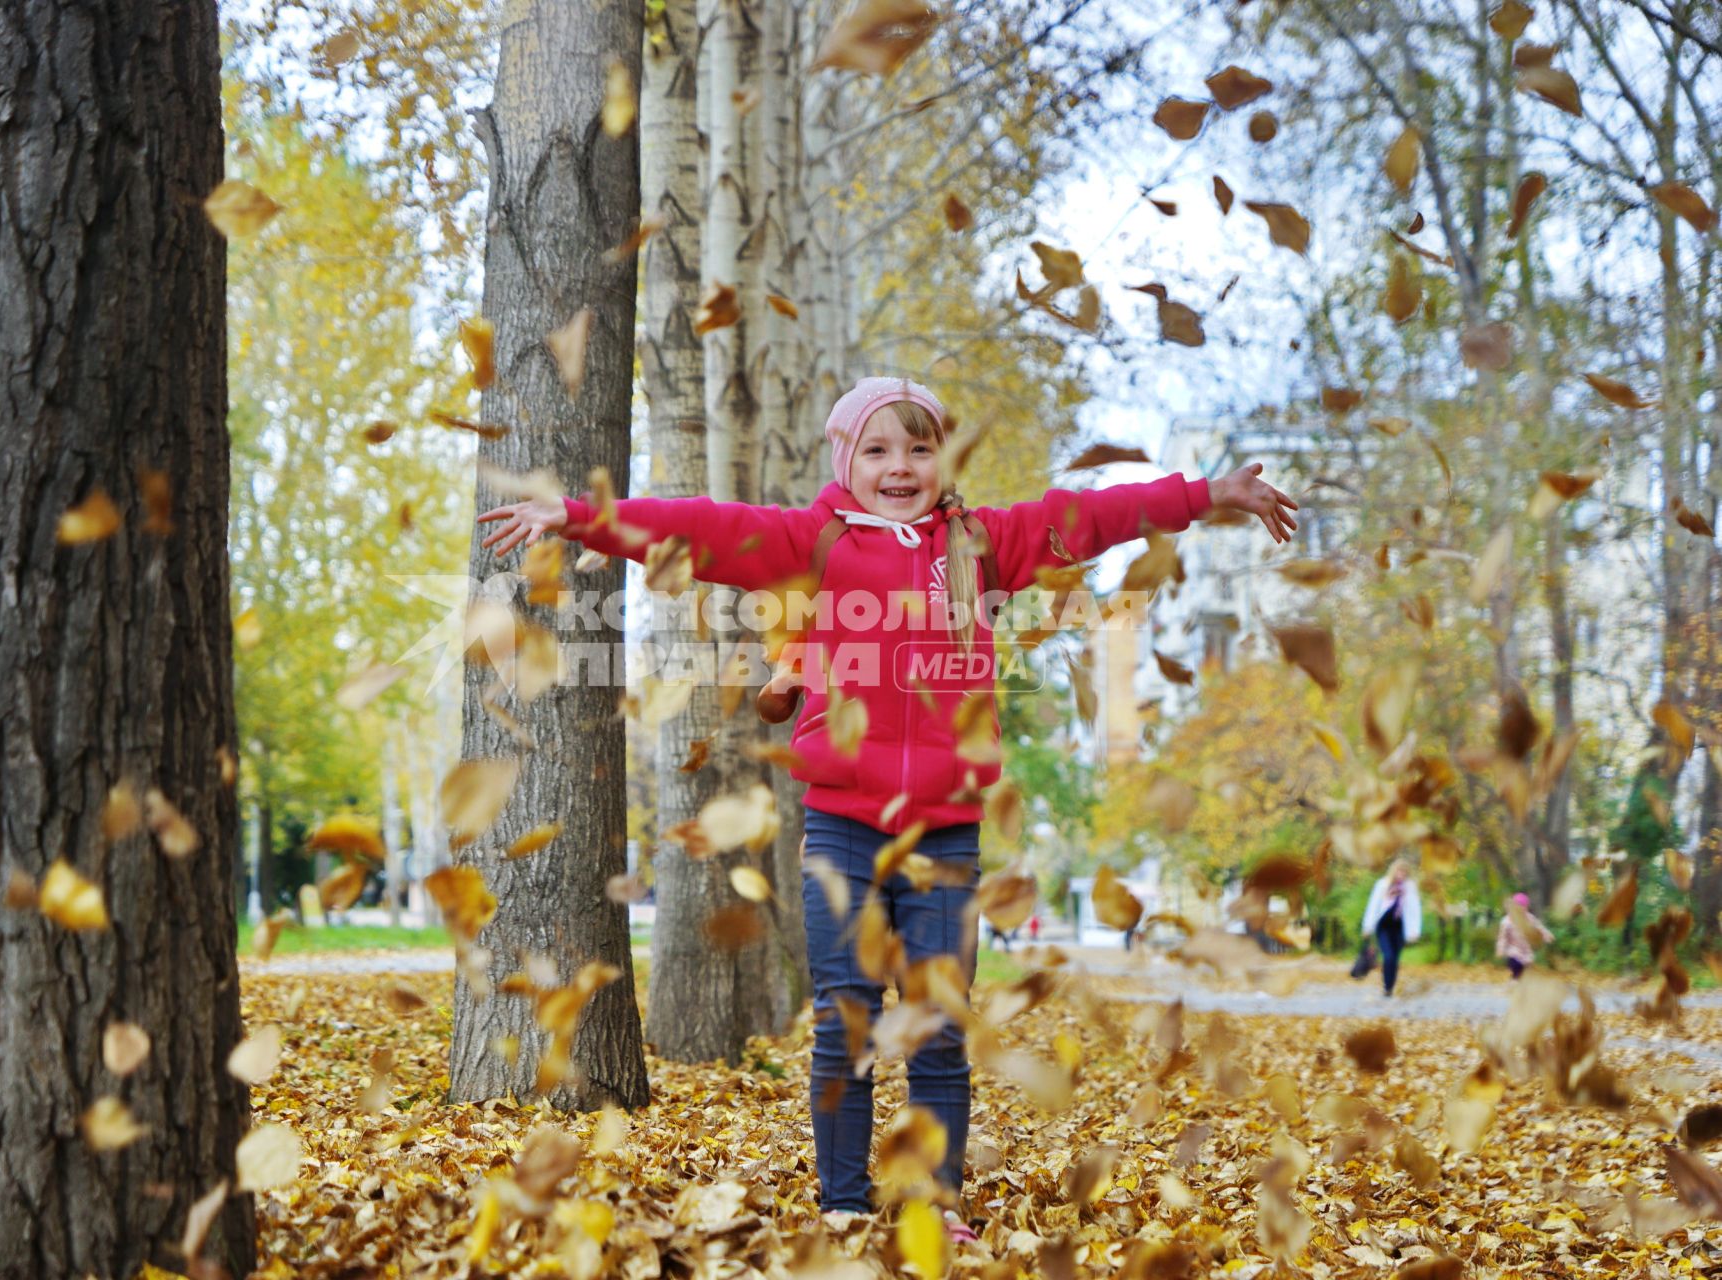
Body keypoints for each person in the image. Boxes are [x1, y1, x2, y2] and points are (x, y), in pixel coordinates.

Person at [477, 376, 1296, 1238]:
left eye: (918, 448)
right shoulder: (815, 542)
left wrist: (1208, 495)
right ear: (846, 459)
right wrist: (575, 515)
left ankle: (938, 1207)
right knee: (847, 1019)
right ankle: (841, 1204)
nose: (900, 466)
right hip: (843, 824)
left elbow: (1089, 517)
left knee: (939, 1023)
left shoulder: (984, 543)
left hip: (946, 830)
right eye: (878, 449)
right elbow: (699, 529)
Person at [1359, 859, 1422, 998]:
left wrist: (1415, 931)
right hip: (1384, 926)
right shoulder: (1383, 884)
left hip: (1400, 927)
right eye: (1399, 871)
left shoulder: (1410, 887)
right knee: (1388, 956)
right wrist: (1367, 926)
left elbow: (1414, 909)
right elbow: (1373, 905)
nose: (1402, 874)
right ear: (1394, 871)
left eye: (1404, 872)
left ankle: (1390, 985)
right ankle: (1387, 986)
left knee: (1395, 958)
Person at [1495, 892, 1552, 979]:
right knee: (1516, 967)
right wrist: (1500, 949)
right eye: (1519, 907)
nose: (1522, 909)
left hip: (1526, 951)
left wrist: (1546, 934)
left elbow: (1539, 927)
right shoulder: (1507, 921)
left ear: (1526, 907)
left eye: (1524, 907)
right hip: (1513, 950)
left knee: (1524, 972)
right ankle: (1514, 981)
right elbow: (1502, 937)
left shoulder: (1529, 918)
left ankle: (1516, 983)